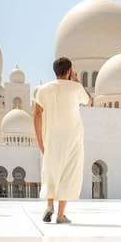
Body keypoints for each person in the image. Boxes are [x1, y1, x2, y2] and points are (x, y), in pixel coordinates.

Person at [33, 57, 92, 224]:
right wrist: (77, 81)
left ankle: (49, 205)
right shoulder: (76, 88)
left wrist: (40, 141)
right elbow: (89, 101)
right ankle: (60, 215)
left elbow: (36, 115)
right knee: (68, 173)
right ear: (69, 71)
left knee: (51, 172)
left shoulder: (42, 90)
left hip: (50, 138)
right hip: (72, 138)